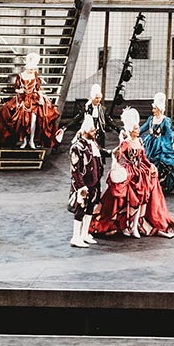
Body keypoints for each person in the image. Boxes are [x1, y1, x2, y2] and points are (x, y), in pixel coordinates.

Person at [92, 106, 174, 239]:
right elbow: (117, 155)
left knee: (143, 197)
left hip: (140, 171)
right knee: (128, 198)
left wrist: (151, 166)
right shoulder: (126, 143)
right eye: (136, 128)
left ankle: (135, 224)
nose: (139, 130)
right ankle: (126, 224)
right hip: (130, 171)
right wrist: (115, 167)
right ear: (131, 130)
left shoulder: (139, 141)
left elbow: (143, 158)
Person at [0, 52, 59, 153]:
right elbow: (16, 89)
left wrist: (41, 97)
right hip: (23, 99)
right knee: (23, 121)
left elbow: (38, 88)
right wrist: (20, 91)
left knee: (34, 121)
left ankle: (31, 140)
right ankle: (24, 140)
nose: (33, 71)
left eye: (34, 69)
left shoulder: (35, 75)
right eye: (31, 69)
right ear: (27, 68)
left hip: (34, 100)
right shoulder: (21, 76)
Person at [66, 105, 106, 248]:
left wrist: (114, 151)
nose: (95, 132)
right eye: (92, 130)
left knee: (90, 208)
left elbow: (101, 153)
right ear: (84, 131)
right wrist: (80, 186)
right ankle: (75, 236)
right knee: (80, 210)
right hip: (83, 185)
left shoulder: (92, 143)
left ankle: (84, 233)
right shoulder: (77, 147)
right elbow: (75, 170)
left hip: (94, 183)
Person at [141, 93, 174, 196]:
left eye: (155, 109)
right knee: (149, 161)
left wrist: (171, 143)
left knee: (161, 162)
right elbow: (143, 128)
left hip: (161, 143)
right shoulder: (151, 119)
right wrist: (132, 134)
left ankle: (163, 183)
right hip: (151, 142)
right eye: (153, 109)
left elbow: (169, 133)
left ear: (160, 109)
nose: (153, 111)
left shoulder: (165, 120)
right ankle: (152, 183)